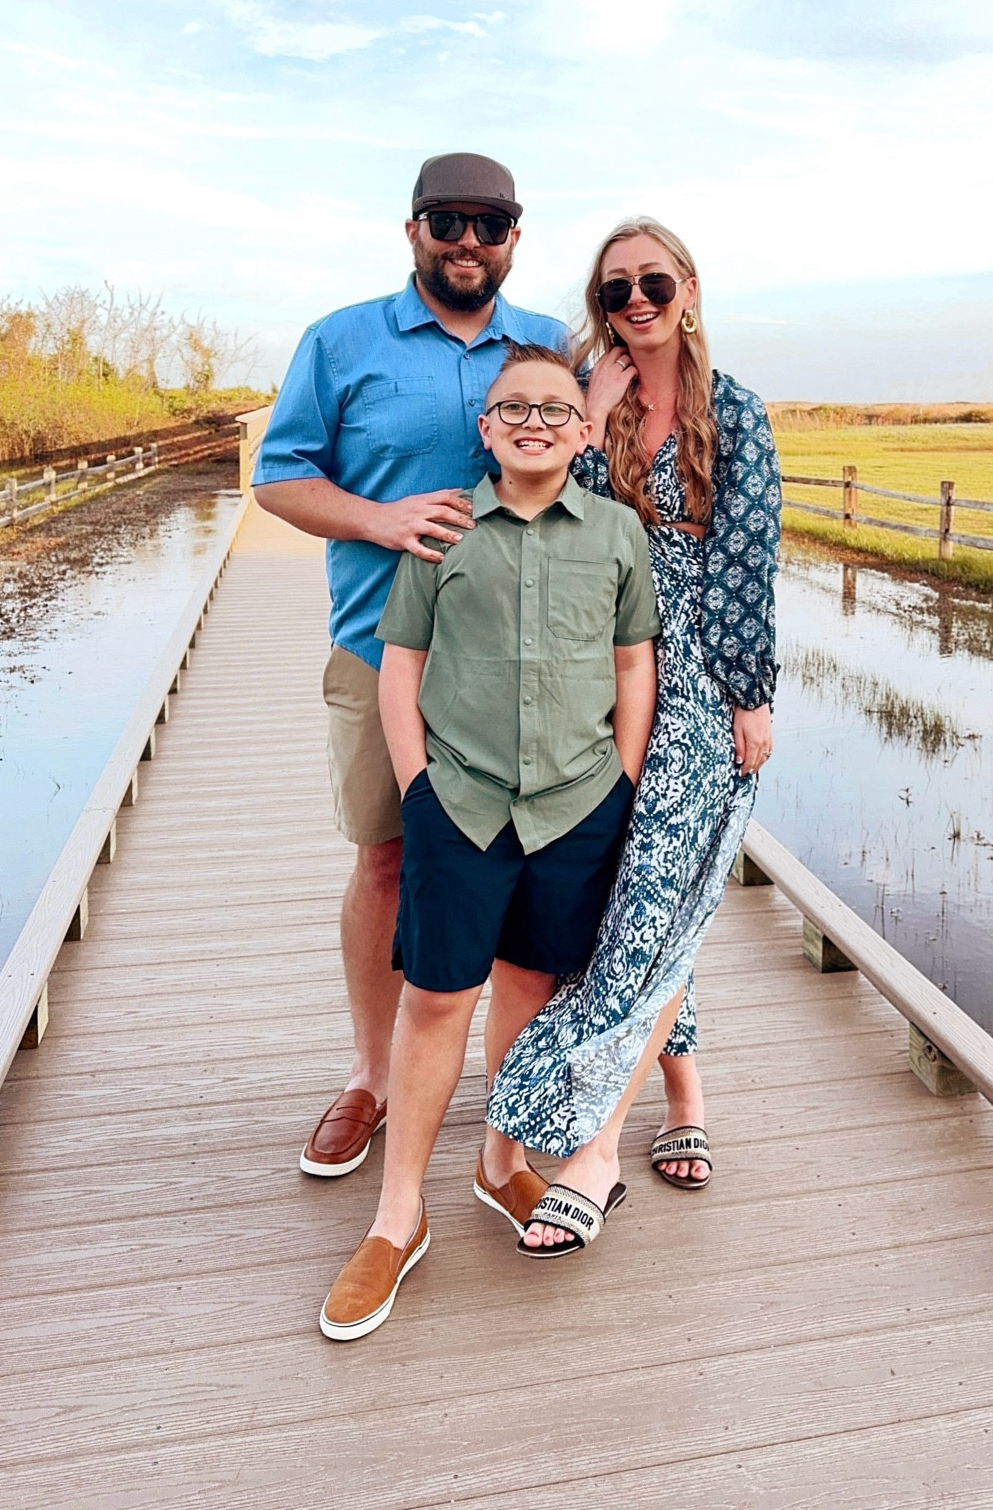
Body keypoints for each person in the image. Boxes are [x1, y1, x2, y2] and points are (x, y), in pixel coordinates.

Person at [318, 344, 660, 1339]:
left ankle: (501, 1160)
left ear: (584, 429)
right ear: (486, 425)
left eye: (557, 409)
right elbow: (399, 666)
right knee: (435, 999)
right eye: (515, 407)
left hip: (575, 802)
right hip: (460, 802)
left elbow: (631, 661)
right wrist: (419, 786)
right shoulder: (441, 529)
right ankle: (396, 1216)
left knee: (528, 988)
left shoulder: (615, 535)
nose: (535, 423)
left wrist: (624, 785)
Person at [251, 154, 566, 1182]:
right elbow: (281, 477)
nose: (467, 240)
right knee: (385, 860)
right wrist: (378, 519)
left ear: (515, 236)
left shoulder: (551, 345)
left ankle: (510, 1104)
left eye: (490, 222)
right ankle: (371, 1077)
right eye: (447, 220)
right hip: (376, 649)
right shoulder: (340, 339)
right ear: (413, 229)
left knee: (526, 871)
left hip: (525, 667)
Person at [486, 217, 780, 1254]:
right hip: (598, 653)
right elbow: (532, 509)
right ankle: (684, 1086)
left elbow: (749, 559)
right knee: (628, 884)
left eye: (654, 281)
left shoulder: (733, 409)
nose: (637, 300)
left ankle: (593, 1146)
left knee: (666, 876)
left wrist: (749, 693)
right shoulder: (580, 390)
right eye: (615, 288)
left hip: (697, 666)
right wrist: (590, 412)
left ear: (690, 288)